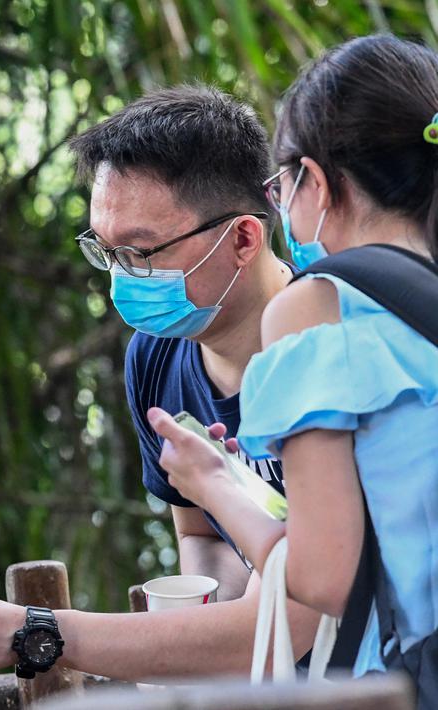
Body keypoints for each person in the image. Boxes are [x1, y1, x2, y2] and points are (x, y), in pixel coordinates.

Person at [0, 85, 322, 680]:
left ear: (244, 238)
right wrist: (190, 624)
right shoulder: (155, 360)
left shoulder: (327, 345)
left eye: (141, 253)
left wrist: (35, 631)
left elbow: (298, 611)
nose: (122, 279)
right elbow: (205, 534)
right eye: (106, 252)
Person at [150, 35, 438, 701]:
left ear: (313, 179)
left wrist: (213, 483)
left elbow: (320, 578)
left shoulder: (314, 306)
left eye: (279, 186)